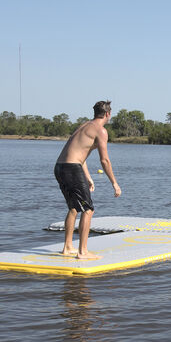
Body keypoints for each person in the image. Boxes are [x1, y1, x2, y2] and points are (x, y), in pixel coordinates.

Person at [54, 100, 122, 259]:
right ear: (107, 114)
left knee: (73, 208)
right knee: (88, 210)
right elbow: (104, 160)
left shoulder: (84, 125)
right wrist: (115, 183)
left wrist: (88, 177)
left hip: (60, 167)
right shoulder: (101, 131)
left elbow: (78, 154)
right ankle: (82, 252)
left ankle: (67, 247)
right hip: (71, 169)